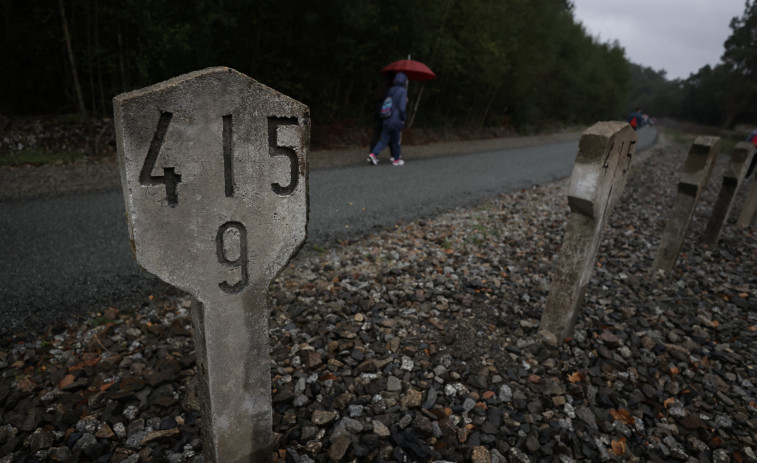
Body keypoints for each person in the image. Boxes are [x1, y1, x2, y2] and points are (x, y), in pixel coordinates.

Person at [367, 71, 408, 166]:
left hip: (386, 117)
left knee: (384, 139)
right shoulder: (403, 91)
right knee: (396, 140)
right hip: (396, 119)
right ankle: (396, 159)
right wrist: (404, 117)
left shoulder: (390, 90)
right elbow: (402, 108)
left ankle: (373, 154)